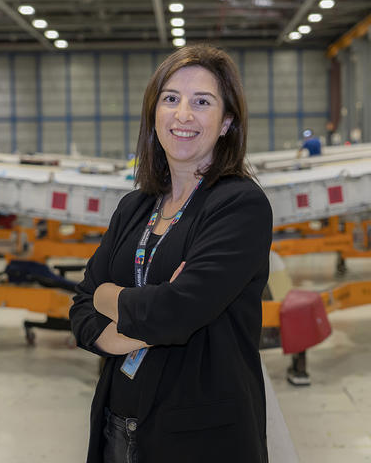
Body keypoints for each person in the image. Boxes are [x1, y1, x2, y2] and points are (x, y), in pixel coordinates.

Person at [70, 44, 273, 463]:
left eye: (202, 102)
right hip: (117, 423)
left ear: (226, 122)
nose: (183, 114)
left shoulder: (240, 206)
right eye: (171, 99)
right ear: (154, 115)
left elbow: (178, 314)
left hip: (200, 436)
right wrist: (140, 314)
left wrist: (110, 297)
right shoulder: (135, 206)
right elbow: (79, 308)